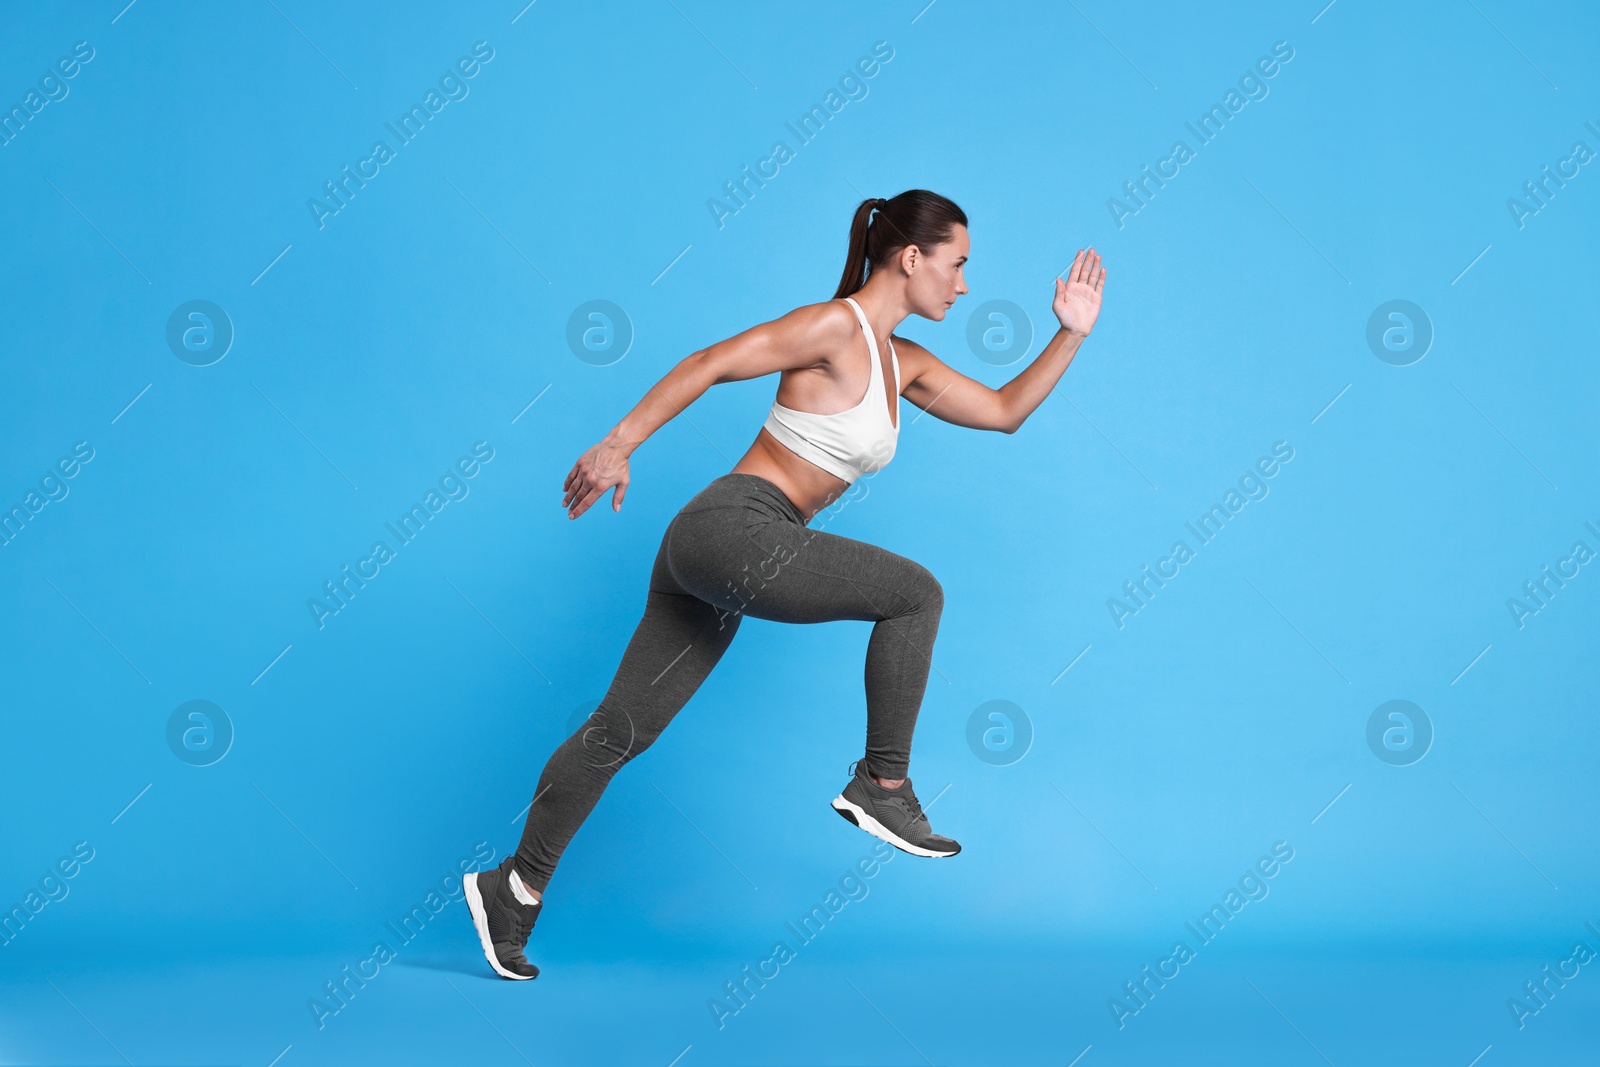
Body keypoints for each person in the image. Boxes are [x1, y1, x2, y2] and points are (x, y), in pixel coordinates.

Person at [465, 189, 1105, 980]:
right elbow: (713, 362)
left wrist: (1069, 335)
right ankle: (882, 783)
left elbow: (1006, 410)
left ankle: (513, 888)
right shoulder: (834, 327)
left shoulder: (904, 365)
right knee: (916, 592)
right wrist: (617, 443)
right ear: (913, 258)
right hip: (733, 528)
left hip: (725, 553)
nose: (965, 284)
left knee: (617, 732)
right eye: (959, 264)